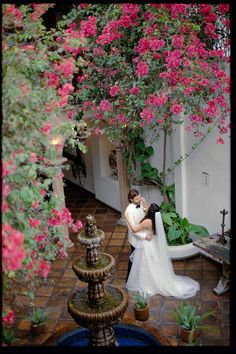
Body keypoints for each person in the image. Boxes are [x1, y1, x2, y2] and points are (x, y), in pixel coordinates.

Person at [125, 203, 200, 299]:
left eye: (148, 207)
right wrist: (143, 204)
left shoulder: (147, 221)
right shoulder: (156, 219)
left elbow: (135, 229)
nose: (146, 208)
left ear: (150, 211)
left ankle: (148, 285)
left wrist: (127, 218)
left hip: (147, 246)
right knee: (152, 264)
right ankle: (153, 281)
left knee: (146, 265)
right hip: (152, 243)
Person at [125, 189, 150, 281]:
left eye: (140, 197)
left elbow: (146, 212)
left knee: (142, 257)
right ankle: (129, 278)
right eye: (137, 198)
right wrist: (144, 236)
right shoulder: (128, 212)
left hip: (143, 232)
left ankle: (141, 276)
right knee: (134, 258)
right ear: (131, 200)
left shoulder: (140, 202)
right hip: (136, 238)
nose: (139, 199)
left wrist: (144, 202)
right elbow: (133, 230)